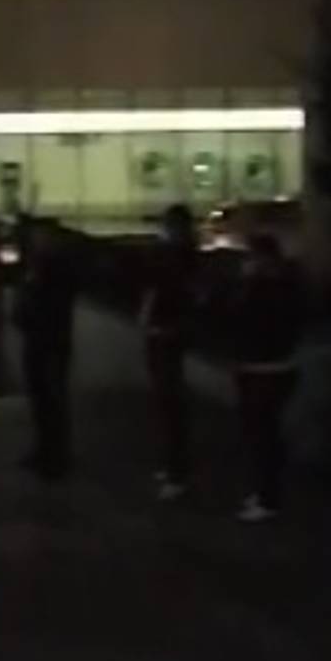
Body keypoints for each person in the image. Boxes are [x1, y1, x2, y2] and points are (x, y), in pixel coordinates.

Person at [230, 234, 305, 523]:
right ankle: (263, 492)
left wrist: (249, 287)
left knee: (263, 435)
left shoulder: (274, 289)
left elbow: (252, 321)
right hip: (257, 367)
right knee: (259, 434)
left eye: (253, 258)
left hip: (267, 368)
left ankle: (267, 496)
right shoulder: (276, 287)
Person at [140, 204, 199, 503]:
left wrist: (165, 327)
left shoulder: (181, 260)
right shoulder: (172, 257)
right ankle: (172, 466)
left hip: (167, 336)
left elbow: (173, 296)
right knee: (165, 405)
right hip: (161, 334)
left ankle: (177, 472)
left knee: (170, 405)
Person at [13, 217, 78, 481]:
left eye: (41, 237)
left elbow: (53, 305)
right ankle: (44, 449)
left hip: (51, 342)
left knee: (53, 400)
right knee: (40, 399)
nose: (37, 241)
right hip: (36, 340)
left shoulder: (57, 269)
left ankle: (57, 455)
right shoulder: (34, 264)